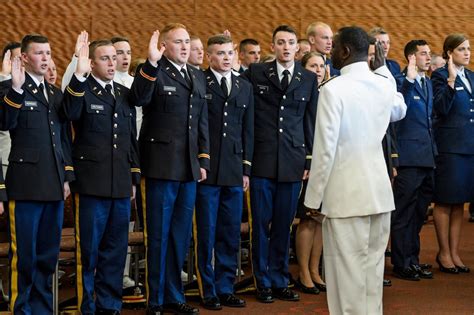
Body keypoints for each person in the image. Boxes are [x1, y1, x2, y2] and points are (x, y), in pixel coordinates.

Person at [304, 26, 406, 315]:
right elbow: (400, 111)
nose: (330, 52)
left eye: (334, 47)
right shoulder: (384, 85)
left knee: (345, 281)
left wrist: (313, 199)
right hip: (379, 194)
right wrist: (384, 68)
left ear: (345, 51)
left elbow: (325, 150)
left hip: (345, 196)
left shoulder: (333, 89)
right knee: (371, 278)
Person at [129, 24, 209, 315]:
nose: (185, 47)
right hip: (161, 165)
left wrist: (203, 160)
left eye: (188, 41)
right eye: (178, 42)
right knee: (158, 235)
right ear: (164, 45)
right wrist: (150, 62)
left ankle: (175, 295)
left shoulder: (196, 75)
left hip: (188, 167)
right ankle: (155, 298)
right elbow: (138, 97)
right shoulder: (153, 70)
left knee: (180, 235)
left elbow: (200, 122)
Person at [63, 36, 140, 314]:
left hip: (120, 182)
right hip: (92, 182)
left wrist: (133, 176)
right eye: (105, 58)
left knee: (115, 250)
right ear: (92, 63)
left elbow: (130, 139)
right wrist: (79, 74)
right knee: (89, 251)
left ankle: (110, 305)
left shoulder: (122, 93)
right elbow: (69, 113)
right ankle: (88, 306)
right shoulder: (81, 90)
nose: (113, 62)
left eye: (114, 57)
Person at [241, 24, 318, 304]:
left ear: (298, 48)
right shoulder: (257, 73)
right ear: (272, 47)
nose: (286, 48)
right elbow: (246, 115)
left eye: (290, 43)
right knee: (260, 225)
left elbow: (310, 123)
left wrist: (309, 159)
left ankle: (279, 278)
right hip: (262, 160)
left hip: (293, 161)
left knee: (284, 225)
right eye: (281, 43)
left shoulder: (308, 79)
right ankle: (262, 281)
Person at [0, 34, 74, 314]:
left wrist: (66, 176)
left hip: (54, 184)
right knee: (26, 257)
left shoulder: (54, 94)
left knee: (47, 256)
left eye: (48, 52)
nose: (46, 58)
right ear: (24, 58)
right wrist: (17, 90)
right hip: (26, 185)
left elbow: (63, 138)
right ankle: (23, 309)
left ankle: (43, 309)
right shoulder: (10, 89)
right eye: (39, 53)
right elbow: (5, 122)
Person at [193, 34, 253, 311]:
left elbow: (247, 131)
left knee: (230, 233)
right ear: (209, 57)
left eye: (230, 52)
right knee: (206, 232)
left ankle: (226, 286)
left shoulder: (243, 85)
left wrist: (246, 169)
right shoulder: (198, 82)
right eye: (220, 53)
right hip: (207, 172)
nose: (226, 57)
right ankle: (208, 289)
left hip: (233, 169)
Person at [391, 40, 437, 281]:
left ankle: (413, 259)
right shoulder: (401, 82)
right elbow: (400, 111)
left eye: (429, 53)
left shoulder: (427, 82)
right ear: (411, 57)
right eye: (423, 54)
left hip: (427, 157)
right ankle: (401, 262)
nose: (428, 57)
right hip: (408, 158)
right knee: (404, 212)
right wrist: (408, 81)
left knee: (419, 213)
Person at [431, 33, 472, 274]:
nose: (467, 53)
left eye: (468, 49)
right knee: (445, 200)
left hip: (469, 146)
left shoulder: (472, 77)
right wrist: (450, 81)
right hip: (449, 147)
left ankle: (454, 252)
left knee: (460, 203)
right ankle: (443, 252)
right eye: (461, 49)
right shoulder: (439, 76)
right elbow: (440, 108)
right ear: (449, 53)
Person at [294, 51, 326, 295]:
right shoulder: (302, 90)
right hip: (307, 160)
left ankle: (315, 270)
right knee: (307, 217)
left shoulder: (331, 90)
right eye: (312, 65)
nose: (318, 69)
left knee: (320, 220)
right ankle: (303, 271)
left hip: (328, 162)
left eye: (321, 65)